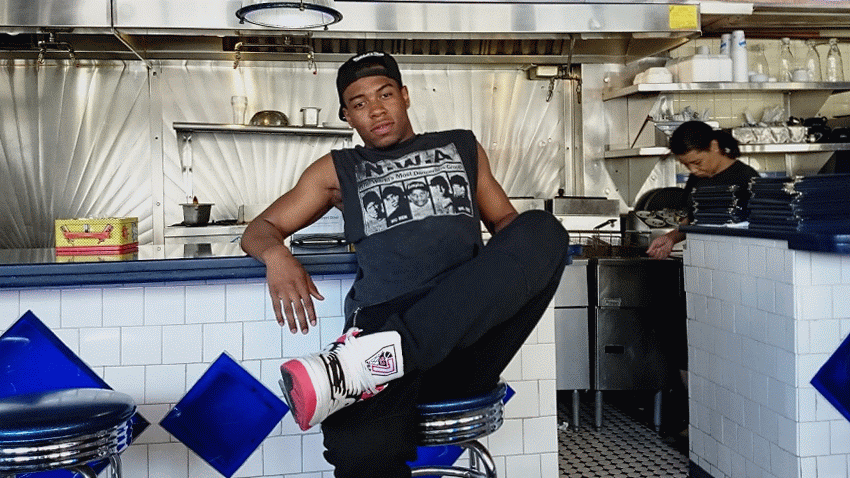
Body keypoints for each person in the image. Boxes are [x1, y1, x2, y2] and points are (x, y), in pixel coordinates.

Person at [240, 50, 569, 477]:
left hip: (465, 334)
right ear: (347, 116)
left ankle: (366, 364)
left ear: (405, 96)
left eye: (385, 94)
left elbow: (507, 223)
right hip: (383, 322)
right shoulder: (337, 170)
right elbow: (260, 228)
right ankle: (376, 360)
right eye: (359, 103)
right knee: (357, 451)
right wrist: (276, 255)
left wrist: (512, 267)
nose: (376, 109)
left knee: (543, 229)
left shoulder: (461, 147)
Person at [646, 120, 760, 260]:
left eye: (697, 162)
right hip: (703, 259)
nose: (693, 170)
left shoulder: (747, 178)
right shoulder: (696, 179)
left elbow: (760, 226)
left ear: (714, 146)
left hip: (739, 259)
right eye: (686, 165)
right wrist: (670, 238)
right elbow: (692, 219)